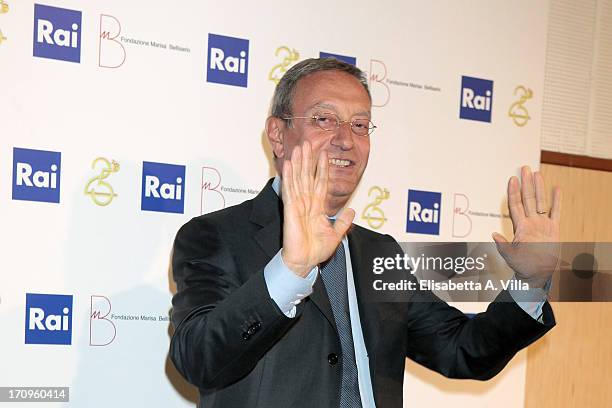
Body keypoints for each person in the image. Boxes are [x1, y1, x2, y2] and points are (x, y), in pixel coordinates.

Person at [169, 58, 561, 408]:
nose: (346, 139)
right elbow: (200, 360)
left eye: (360, 124)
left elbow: (463, 350)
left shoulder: (377, 251)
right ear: (277, 134)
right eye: (324, 119)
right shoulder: (213, 236)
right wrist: (291, 269)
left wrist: (530, 281)